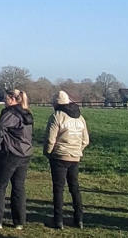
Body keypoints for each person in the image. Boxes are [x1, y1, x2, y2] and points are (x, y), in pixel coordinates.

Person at [0, 89, 34, 230]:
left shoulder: (10, 113)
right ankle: (19, 221)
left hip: (10, 154)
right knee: (18, 187)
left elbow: (0, 128)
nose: (4, 101)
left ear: (12, 99)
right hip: (25, 154)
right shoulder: (27, 113)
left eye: (5, 98)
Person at [45, 90, 90, 229]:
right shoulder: (80, 117)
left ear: (56, 103)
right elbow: (86, 140)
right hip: (75, 157)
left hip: (59, 156)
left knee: (58, 189)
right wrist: (77, 150)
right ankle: (79, 219)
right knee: (74, 188)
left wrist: (48, 152)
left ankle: (58, 220)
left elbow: (50, 139)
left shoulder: (57, 116)